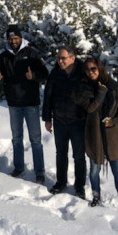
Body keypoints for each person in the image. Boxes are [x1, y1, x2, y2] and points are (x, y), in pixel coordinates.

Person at [75, 56, 118, 215]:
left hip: (111, 136)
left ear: (99, 68)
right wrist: (101, 92)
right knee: (94, 170)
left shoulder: (112, 87)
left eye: (93, 68)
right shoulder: (84, 88)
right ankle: (96, 196)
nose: (90, 72)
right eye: (87, 70)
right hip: (93, 135)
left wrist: (114, 121)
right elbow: (90, 108)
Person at [0, 24, 49, 181]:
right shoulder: (4, 57)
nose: (13, 41)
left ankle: (40, 171)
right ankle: (19, 168)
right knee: (16, 138)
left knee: (35, 140)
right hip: (13, 104)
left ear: (21, 38)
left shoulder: (31, 53)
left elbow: (44, 74)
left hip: (31, 103)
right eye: (10, 39)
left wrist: (34, 77)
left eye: (15, 38)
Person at [42, 47, 87, 198]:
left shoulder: (82, 73)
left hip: (78, 121)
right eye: (58, 58)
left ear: (73, 58)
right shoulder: (55, 73)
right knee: (61, 153)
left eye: (63, 58)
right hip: (60, 120)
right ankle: (61, 182)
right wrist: (47, 118)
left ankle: (79, 186)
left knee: (79, 156)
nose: (60, 61)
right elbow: (48, 96)